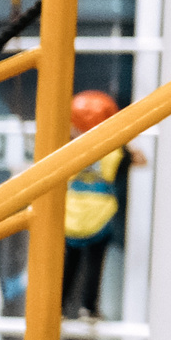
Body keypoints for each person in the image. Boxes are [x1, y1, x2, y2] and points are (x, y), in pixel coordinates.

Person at [59, 88, 135, 322]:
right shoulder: (116, 151)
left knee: (69, 263)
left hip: (70, 214)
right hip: (99, 216)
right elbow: (137, 159)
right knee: (94, 263)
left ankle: (59, 307)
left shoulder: (65, 148)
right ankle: (88, 308)